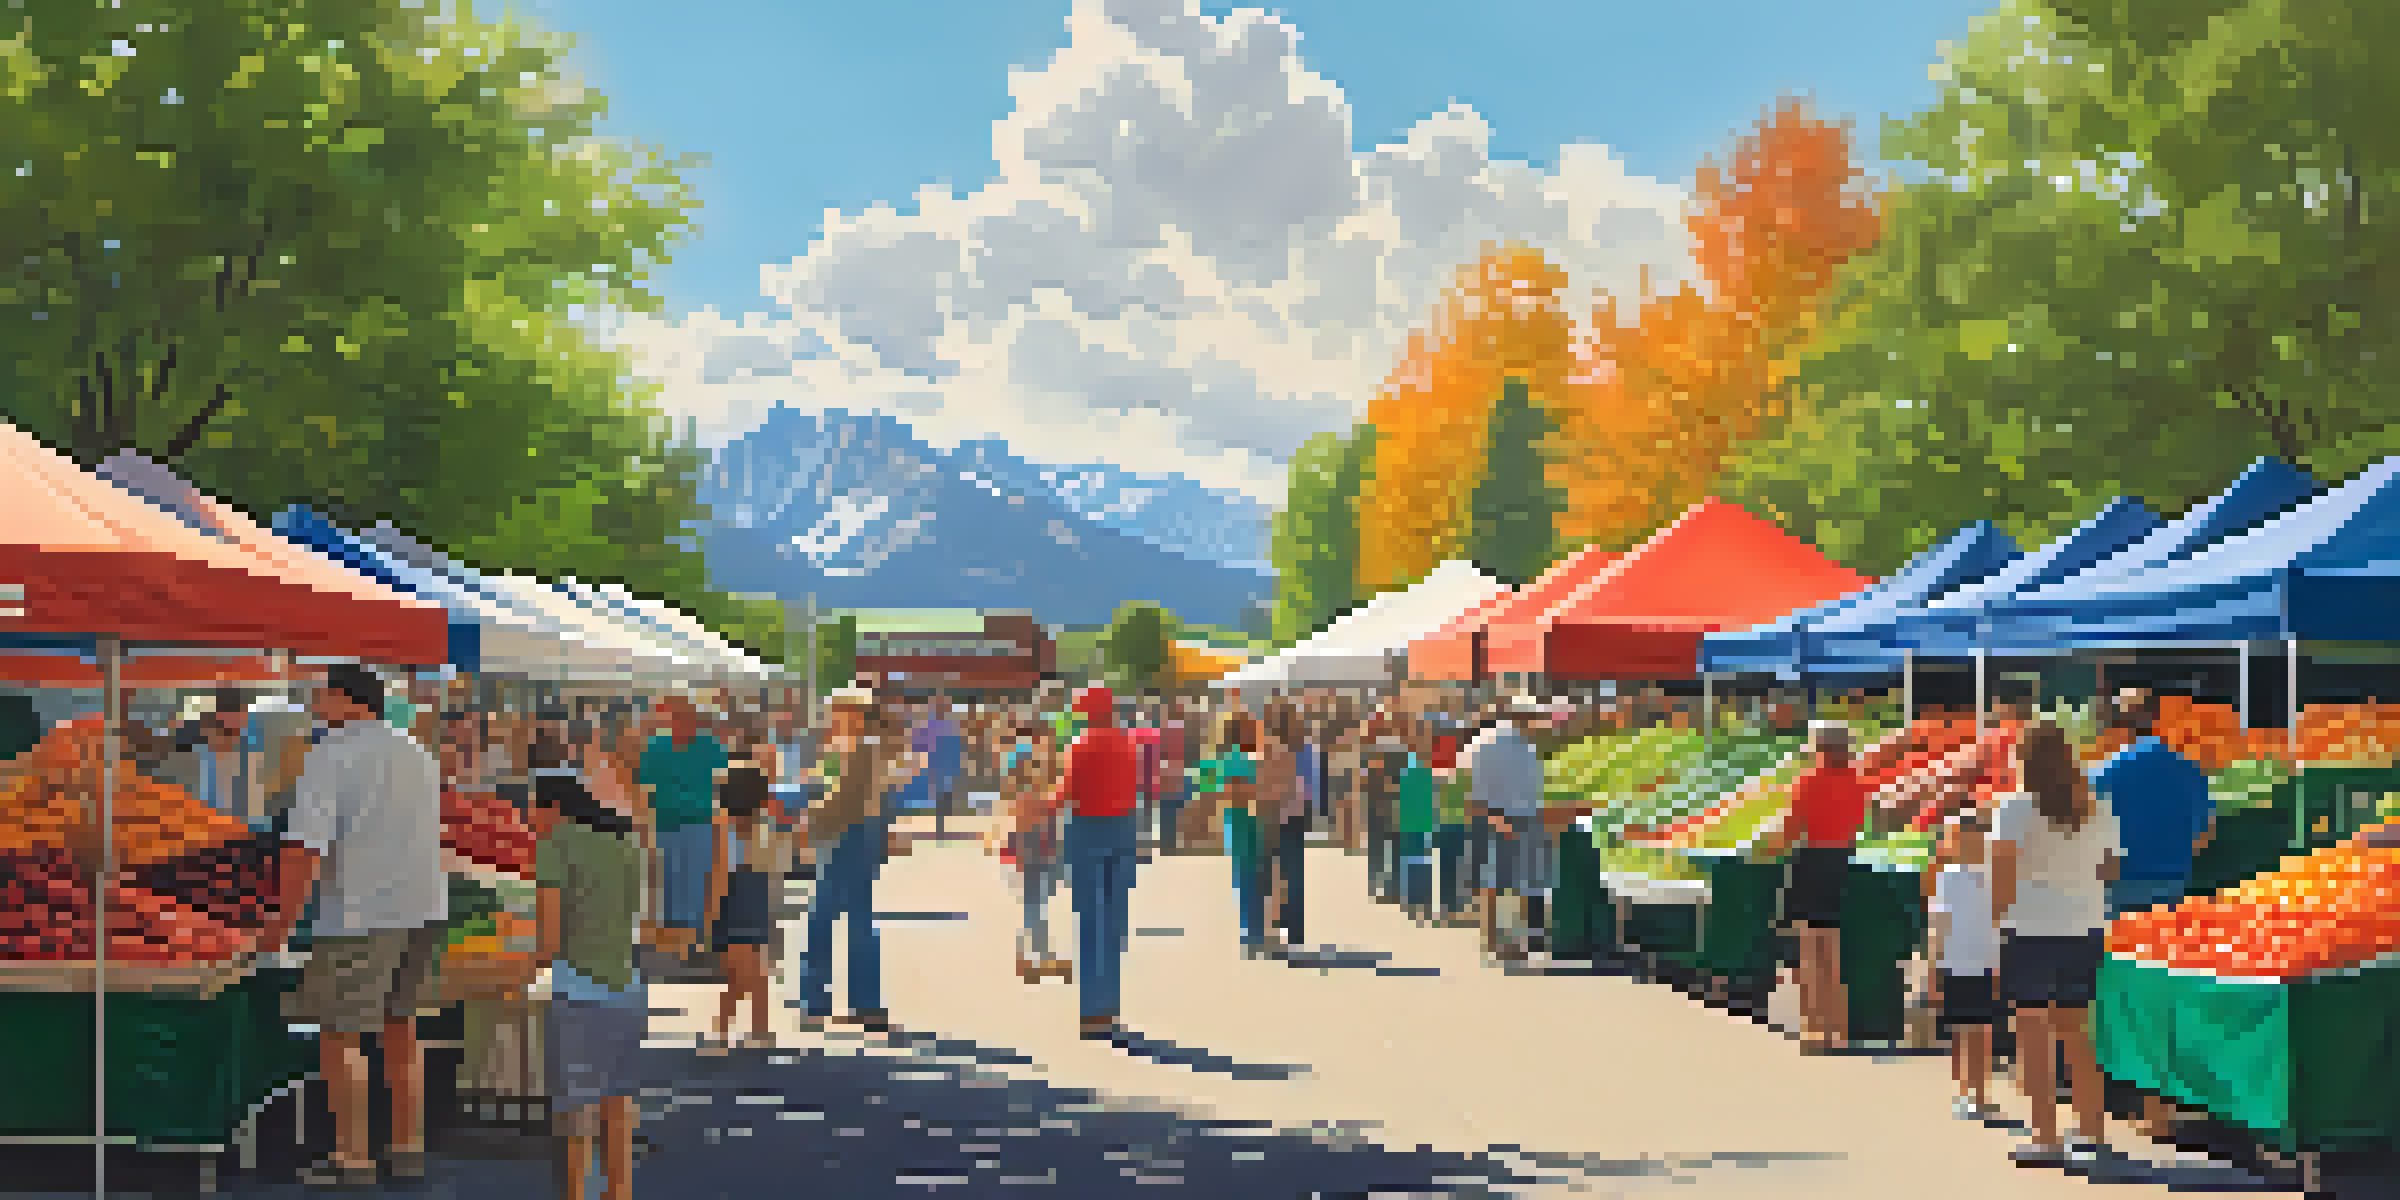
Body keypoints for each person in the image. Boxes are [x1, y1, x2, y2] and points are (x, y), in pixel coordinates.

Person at [262, 664, 448, 1187]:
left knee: (341, 1037)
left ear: (346, 700)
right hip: (422, 908)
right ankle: (407, 1150)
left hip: (359, 913)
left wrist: (283, 922)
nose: (316, 706)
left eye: (321, 696)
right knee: (401, 1031)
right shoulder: (414, 749)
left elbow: (303, 847)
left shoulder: (332, 751)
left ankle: (353, 1157)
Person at [1991, 719, 2122, 1168]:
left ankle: (2044, 1136)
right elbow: (2112, 870)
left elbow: (2003, 874)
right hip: (2085, 927)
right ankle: (2091, 1132)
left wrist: (1994, 926)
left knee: (2032, 1037)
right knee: (2079, 1034)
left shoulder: (2014, 809)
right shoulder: (2097, 807)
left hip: (2029, 929)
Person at [530, 731, 646, 1200]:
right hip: (627, 986)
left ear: (553, 809)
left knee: (575, 1110)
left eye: (533, 810)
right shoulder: (624, 845)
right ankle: (618, 1192)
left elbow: (549, 939)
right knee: (617, 1104)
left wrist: (521, 970)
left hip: (578, 990)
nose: (529, 820)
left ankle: (577, 1193)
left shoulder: (554, 846)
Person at [796, 688, 921, 1031]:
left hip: (847, 835)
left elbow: (844, 801)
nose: (831, 717)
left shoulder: (861, 749)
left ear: (855, 714)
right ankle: (862, 1003)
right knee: (857, 919)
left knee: (823, 920)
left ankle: (818, 1002)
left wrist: (808, 824)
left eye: (838, 711)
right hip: (856, 836)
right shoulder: (852, 749)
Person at [1761, 720, 1869, 1053]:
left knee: (1808, 949)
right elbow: (1858, 824)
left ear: (1821, 747)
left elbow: (1792, 828)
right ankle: (1839, 1028)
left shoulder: (1809, 780)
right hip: (1841, 861)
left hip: (1811, 859)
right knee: (1831, 949)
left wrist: (1767, 849)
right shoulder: (1856, 782)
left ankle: (1812, 1029)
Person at [1060, 686, 1140, 1036]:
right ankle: (1110, 1005)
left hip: (1087, 827)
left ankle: (1091, 1010)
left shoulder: (1080, 745)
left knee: (1089, 919)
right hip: (1122, 827)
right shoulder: (1127, 744)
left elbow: (1069, 791)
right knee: (1114, 919)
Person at [638, 695, 728, 964]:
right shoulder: (655, 748)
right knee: (669, 885)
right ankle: (677, 946)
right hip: (665, 824)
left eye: (684, 716)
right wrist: (645, 826)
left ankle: (694, 944)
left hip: (700, 824)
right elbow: (644, 790)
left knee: (696, 883)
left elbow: (723, 786)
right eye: (674, 716)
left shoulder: (711, 747)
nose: (678, 722)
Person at [1927, 809, 2002, 1124]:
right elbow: (1939, 924)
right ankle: (1967, 1093)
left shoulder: (1990, 875)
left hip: (1982, 962)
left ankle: (1977, 1095)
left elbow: (1939, 923)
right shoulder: (1950, 876)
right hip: (1962, 962)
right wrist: (1934, 967)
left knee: (1977, 1032)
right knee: (1966, 1032)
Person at [703, 753, 777, 1051]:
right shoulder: (763, 825)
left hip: (734, 899)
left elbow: (721, 870)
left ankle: (735, 1034)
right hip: (757, 897)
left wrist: (710, 910)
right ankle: (746, 1031)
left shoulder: (725, 825)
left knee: (739, 973)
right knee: (748, 971)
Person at [992, 719, 1069, 982]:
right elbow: (1030, 801)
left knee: (1036, 899)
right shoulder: (1027, 764)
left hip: (1038, 836)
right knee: (1035, 899)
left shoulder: (1026, 763)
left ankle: (1033, 956)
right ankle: (1034, 958)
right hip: (1033, 837)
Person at [1471, 701, 1548, 962]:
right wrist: (1495, 818)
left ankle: (1511, 942)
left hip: (1522, 816)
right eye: (1532, 715)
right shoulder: (1495, 741)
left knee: (1517, 883)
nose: (1536, 720)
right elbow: (1480, 786)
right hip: (1502, 817)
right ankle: (1498, 941)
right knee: (1499, 883)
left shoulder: (1525, 743)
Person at [1214, 711, 1269, 957]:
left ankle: (1252, 930)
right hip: (1245, 818)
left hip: (1238, 819)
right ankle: (1253, 932)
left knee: (1247, 876)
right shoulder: (1242, 758)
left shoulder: (1228, 758)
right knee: (1251, 876)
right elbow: (1236, 790)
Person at [1260, 701, 1309, 952]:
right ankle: (1295, 931)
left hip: (1275, 816)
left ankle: (1276, 928)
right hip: (1295, 816)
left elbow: (1267, 787)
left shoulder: (1270, 748)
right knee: (1293, 875)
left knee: (1273, 875)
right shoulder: (1297, 749)